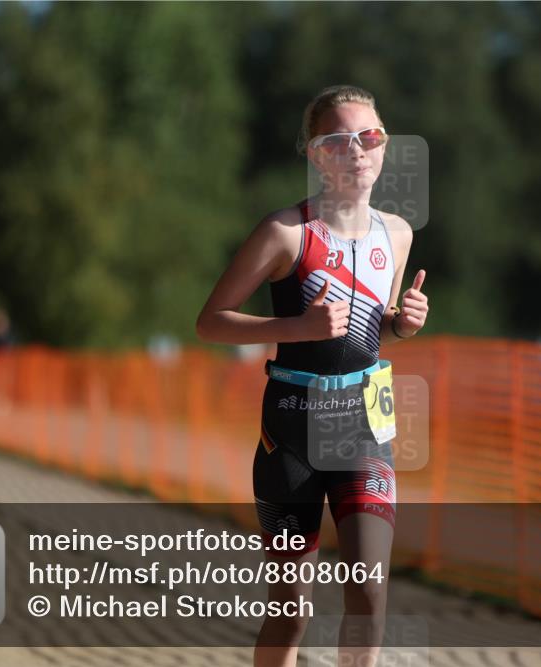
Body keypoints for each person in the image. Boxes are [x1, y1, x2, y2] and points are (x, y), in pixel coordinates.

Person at [196, 84, 429, 667]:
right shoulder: (285, 232)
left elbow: (373, 326)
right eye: (339, 140)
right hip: (291, 430)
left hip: (362, 427)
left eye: (369, 136)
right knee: (291, 609)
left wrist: (403, 324)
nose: (358, 149)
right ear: (316, 154)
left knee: (368, 594)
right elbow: (211, 322)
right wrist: (296, 328)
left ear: (384, 146)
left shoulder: (397, 233)